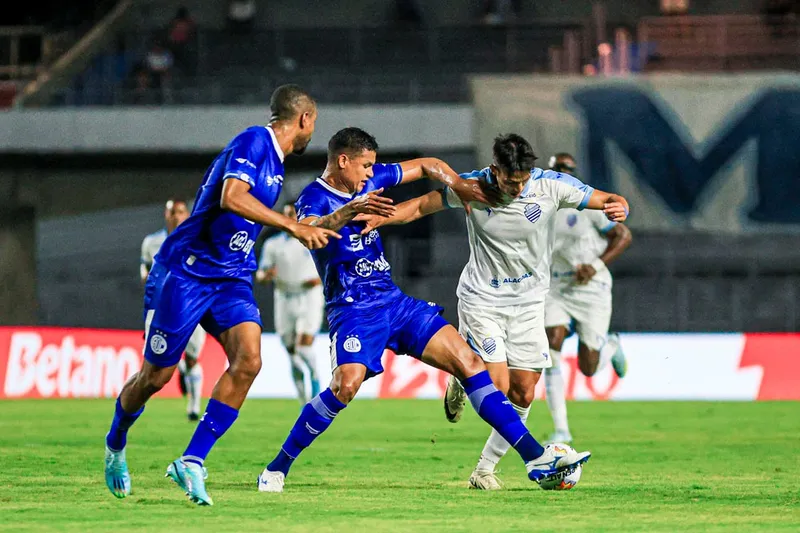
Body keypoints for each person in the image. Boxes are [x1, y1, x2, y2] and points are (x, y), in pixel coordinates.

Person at [256, 127, 591, 494]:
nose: (372, 173)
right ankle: (276, 468)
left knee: (470, 363)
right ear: (343, 161)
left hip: (394, 303)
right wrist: (350, 210)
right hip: (353, 310)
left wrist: (458, 185)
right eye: (365, 166)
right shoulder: (315, 197)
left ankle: (535, 458)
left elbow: (429, 165)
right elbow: (307, 232)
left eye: (373, 166)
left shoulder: (374, 177)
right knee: (344, 386)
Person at [104, 84, 339, 506]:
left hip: (231, 277)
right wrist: (291, 227)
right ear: (304, 119)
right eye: (313, 124)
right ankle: (116, 442)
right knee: (155, 377)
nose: (312, 133)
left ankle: (192, 460)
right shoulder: (254, 140)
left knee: (249, 359)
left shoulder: (277, 163)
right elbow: (232, 198)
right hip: (189, 273)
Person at [354, 134, 629, 490]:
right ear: (495, 170)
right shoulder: (472, 188)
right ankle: (467, 374)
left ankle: (483, 468)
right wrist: (383, 218)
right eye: (510, 181)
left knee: (524, 393)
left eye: (523, 180)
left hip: (530, 302)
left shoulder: (551, 187)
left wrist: (619, 206)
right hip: (483, 299)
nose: (517, 188)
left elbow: (608, 199)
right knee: (495, 385)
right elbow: (422, 206)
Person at [543, 152, 631, 443]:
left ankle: (612, 345)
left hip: (592, 289)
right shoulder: (539, 208)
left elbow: (623, 236)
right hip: (558, 287)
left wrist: (594, 266)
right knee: (550, 343)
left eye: (568, 171)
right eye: (558, 170)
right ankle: (561, 429)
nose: (563, 175)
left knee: (588, 367)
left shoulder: (587, 205)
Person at [140, 199, 207, 422]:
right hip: (161, 307)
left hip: (192, 306)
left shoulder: (198, 238)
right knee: (155, 359)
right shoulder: (152, 242)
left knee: (192, 359)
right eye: (172, 212)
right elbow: (145, 268)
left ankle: (194, 406)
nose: (176, 216)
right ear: (166, 215)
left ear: (187, 215)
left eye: (180, 212)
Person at [256, 201, 325, 404]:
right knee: (290, 350)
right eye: (286, 215)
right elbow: (260, 274)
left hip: (309, 295)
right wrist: (266, 275)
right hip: (284, 296)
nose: (290, 219)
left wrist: (321, 278)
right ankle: (304, 401)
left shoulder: (313, 238)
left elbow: (331, 265)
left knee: (303, 346)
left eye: (293, 214)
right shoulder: (273, 245)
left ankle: (314, 377)